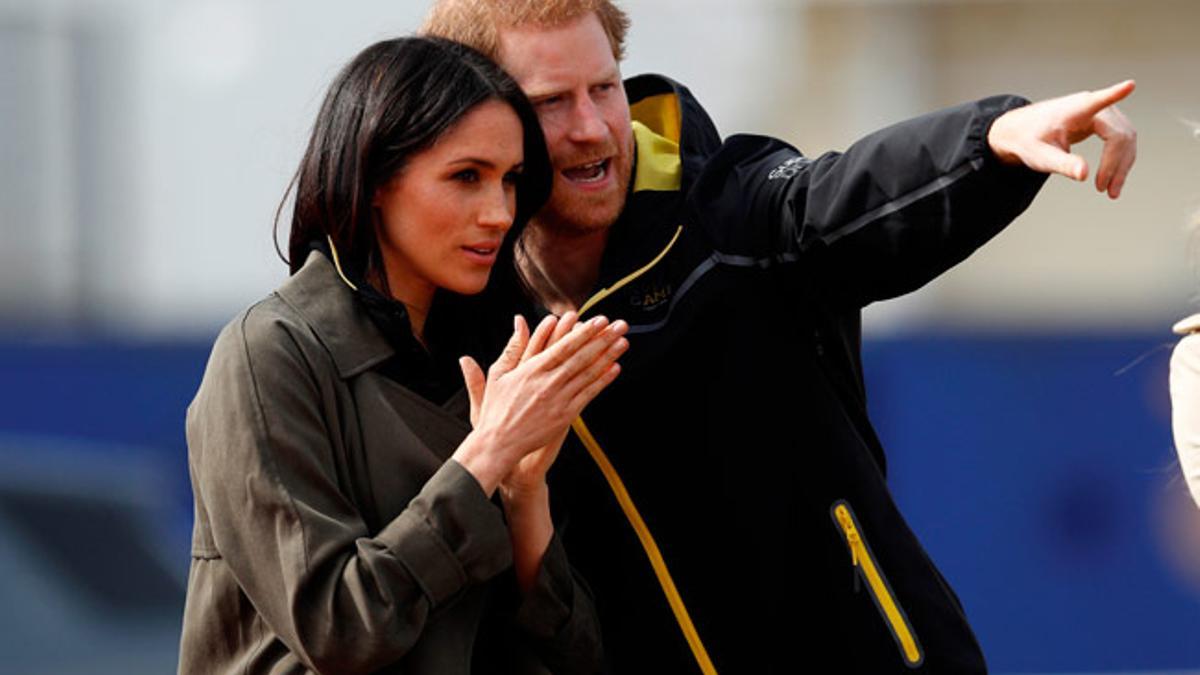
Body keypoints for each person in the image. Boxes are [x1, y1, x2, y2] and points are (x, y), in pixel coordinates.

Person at [423, 2, 1138, 673]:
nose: (592, 127)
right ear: (483, 121)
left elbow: (840, 196)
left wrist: (990, 141)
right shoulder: (467, 318)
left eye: (603, 88)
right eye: (551, 102)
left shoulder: (729, 214)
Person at [178, 36, 629, 674]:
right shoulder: (269, 354)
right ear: (376, 179)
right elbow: (339, 629)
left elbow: (573, 656)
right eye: (466, 177)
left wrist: (525, 492)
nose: (499, 213)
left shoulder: (498, 354)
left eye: (511, 181)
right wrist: (486, 455)